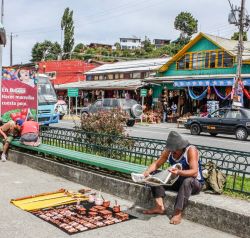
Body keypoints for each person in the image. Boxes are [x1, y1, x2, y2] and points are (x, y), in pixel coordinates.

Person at [143, 131, 204, 225]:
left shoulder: (191, 150)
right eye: (171, 151)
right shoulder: (169, 150)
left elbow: (194, 172)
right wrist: (147, 172)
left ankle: (177, 212)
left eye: (174, 151)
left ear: (181, 148)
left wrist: (179, 172)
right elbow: (157, 163)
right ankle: (159, 207)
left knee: (187, 181)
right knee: (153, 175)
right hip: (177, 180)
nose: (172, 153)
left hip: (194, 183)